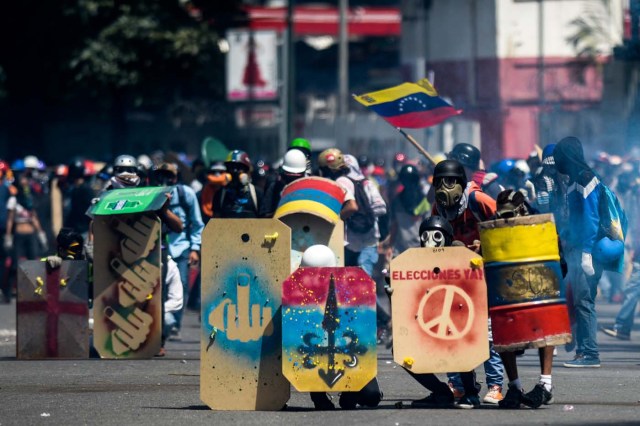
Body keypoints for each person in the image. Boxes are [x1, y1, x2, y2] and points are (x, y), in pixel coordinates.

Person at [430, 159, 505, 407]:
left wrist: (484, 244)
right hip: (454, 277)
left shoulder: (477, 200)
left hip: (484, 274)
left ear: (461, 183)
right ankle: (458, 385)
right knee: (451, 330)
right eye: (440, 182)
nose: (445, 188)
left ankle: (495, 385)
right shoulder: (438, 209)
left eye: (450, 182)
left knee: (487, 332)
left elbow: (505, 224)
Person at [406, 215, 481, 409]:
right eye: (426, 237)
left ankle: (470, 392)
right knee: (402, 351)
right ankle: (440, 392)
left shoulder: (459, 257)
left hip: (455, 317)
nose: (430, 242)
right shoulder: (414, 262)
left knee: (462, 345)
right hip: (427, 320)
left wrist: (473, 262)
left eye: (436, 236)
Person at [491, 190, 556, 409]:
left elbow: (556, 258)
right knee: (502, 328)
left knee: (545, 328)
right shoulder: (495, 223)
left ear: (520, 209)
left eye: (509, 214)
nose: (505, 219)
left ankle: (545, 384)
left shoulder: (538, 221)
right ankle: (514, 386)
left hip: (537, 281)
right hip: (507, 283)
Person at [300, 244, 383, 411]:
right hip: (316, 353)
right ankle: (318, 396)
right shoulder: (297, 292)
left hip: (347, 350)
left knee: (371, 396)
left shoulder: (352, 287)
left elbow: (364, 333)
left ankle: (349, 393)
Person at [553, 137, 604, 368]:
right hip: (576, 248)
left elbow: (591, 219)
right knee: (579, 301)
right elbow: (574, 219)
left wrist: (585, 253)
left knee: (584, 301)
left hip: (589, 251)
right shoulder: (574, 180)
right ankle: (583, 351)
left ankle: (590, 353)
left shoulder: (586, 179)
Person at [152, 162, 204, 340]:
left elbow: (197, 223)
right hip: (157, 248)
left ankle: (174, 324)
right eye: (161, 175)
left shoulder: (185, 194)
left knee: (181, 285)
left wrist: (195, 248)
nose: (165, 179)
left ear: (176, 177)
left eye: (169, 175)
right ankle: (158, 324)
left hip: (180, 248)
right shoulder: (151, 193)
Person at [212, 150, 261, 218]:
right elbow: (215, 223)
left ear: (246, 170)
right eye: (231, 167)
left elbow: (264, 221)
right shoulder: (220, 195)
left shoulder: (257, 194)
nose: (234, 171)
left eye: (239, 167)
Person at [259, 149, 307, 218]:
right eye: (289, 177)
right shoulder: (275, 188)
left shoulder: (308, 188)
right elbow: (264, 215)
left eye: (296, 177)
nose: (293, 182)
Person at [0, 161, 14, 303]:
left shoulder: (8, 189)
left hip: (4, 228)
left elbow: (11, 211)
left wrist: (9, 233)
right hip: (4, 227)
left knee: (6, 261)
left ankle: (6, 290)